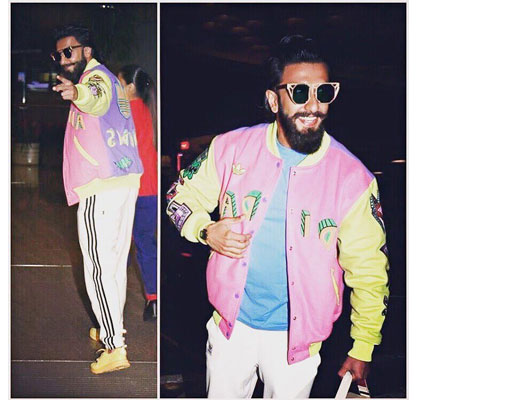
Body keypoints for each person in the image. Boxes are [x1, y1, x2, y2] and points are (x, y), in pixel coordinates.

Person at [166, 35, 390, 398]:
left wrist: (362, 346)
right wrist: (205, 230)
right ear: (274, 100)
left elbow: (369, 269)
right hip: (230, 329)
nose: (313, 105)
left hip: (297, 345)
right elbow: (178, 197)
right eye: (300, 92)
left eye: (323, 92)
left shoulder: (352, 178)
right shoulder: (230, 148)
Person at [51, 24, 143, 374]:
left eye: (69, 51)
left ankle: (114, 348)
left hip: (100, 184)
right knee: (114, 263)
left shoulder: (95, 78)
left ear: (86, 51)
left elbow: (94, 96)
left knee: (99, 266)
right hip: (123, 180)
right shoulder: (110, 79)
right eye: (59, 55)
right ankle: (111, 328)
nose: (63, 59)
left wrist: (76, 91)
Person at [117, 65, 158, 321]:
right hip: (150, 188)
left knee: (120, 244)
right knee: (145, 243)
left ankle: (113, 301)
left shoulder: (124, 111)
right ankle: (154, 299)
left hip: (131, 187)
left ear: (130, 87)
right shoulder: (148, 110)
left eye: (119, 83)